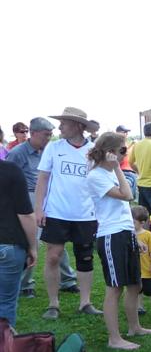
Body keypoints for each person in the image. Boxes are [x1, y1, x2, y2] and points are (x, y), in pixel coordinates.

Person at [86, 133, 151, 350]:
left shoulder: (109, 173)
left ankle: (134, 328)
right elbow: (128, 195)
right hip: (111, 236)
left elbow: (125, 206)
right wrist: (118, 167)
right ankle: (114, 339)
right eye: (123, 151)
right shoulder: (96, 176)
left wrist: (134, 237)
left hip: (125, 233)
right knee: (115, 288)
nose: (125, 155)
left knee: (135, 285)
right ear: (109, 152)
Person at [34, 107, 104, 320]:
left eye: (64, 123)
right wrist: (39, 208)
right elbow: (43, 179)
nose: (60, 126)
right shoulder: (54, 147)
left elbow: (101, 181)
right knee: (53, 256)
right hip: (57, 212)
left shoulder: (94, 150)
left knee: (85, 257)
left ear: (78, 126)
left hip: (86, 213)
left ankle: (85, 302)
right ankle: (53, 304)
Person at [7, 117, 78, 298]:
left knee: (56, 240)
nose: (49, 138)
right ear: (33, 133)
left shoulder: (50, 150)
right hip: (28, 197)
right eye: (46, 134)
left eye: (50, 134)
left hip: (51, 196)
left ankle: (68, 280)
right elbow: (8, 180)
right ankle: (25, 284)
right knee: (34, 240)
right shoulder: (17, 153)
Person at [0, 159, 37, 327]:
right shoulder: (10, 170)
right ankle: (4, 343)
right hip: (8, 244)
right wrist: (33, 247)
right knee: (5, 303)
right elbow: (25, 214)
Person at [115, 124, 138, 201]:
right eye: (124, 132)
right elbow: (120, 156)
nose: (126, 134)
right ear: (117, 133)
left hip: (131, 172)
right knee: (126, 198)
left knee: (130, 198)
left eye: (127, 132)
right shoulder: (116, 144)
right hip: (123, 172)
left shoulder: (126, 144)